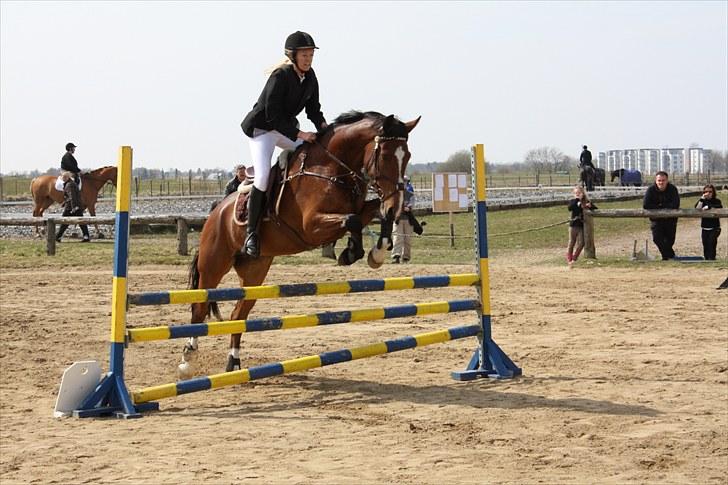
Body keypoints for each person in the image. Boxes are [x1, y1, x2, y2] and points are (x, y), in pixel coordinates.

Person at [240, 31, 328, 258]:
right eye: (304, 55)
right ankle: (252, 234)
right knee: (261, 178)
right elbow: (272, 116)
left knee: (310, 153)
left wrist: (325, 129)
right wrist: (300, 133)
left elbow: (314, 110)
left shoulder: (310, 77)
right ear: (293, 55)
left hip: (285, 129)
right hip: (262, 131)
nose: (308, 59)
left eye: (310, 55)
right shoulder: (280, 76)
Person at [643, 171, 680, 260]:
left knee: (670, 240)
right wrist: (664, 206)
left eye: (663, 180)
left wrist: (659, 206)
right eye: (659, 180)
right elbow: (646, 205)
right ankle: (669, 256)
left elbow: (675, 204)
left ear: (667, 181)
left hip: (670, 219)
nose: (661, 183)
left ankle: (666, 258)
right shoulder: (651, 190)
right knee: (657, 238)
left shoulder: (673, 189)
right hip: (656, 220)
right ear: (656, 181)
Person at [57, 142, 90, 242]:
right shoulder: (67, 156)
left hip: (72, 205)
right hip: (66, 171)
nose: (74, 149)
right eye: (73, 148)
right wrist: (79, 171)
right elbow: (72, 167)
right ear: (70, 149)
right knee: (75, 179)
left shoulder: (70, 156)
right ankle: (85, 236)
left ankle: (58, 236)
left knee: (68, 220)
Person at [55, 170, 90, 243]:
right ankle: (86, 236)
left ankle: (58, 237)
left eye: (64, 177)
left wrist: (74, 207)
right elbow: (70, 197)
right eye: (63, 177)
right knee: (81, 223)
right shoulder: (70, 184)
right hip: (75, 206)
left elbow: (72, 197)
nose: (63, 178)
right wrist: (64, 203)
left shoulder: (69, 185)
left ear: (68, 177)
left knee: (64, 222)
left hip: (71, 207)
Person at [566, 185, 596, 265]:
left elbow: (595, 208)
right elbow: (570, 208)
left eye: (579, 193)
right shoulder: (573, 201)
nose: (577, 194)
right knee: (571, 242)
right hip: (573, 225)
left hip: (581, 225)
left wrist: (590, 206)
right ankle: (569, 259)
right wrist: (577, 200)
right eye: (576, 193)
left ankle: (574, 258)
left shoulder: (586, 201)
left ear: (583, 193)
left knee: (582, 243)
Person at [392, 176, 416, 264]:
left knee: (407, 239)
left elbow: (410, 206)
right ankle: (396, 256)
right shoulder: (395, 195)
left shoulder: (410, 194)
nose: (404, 184)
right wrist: (403, 208)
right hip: (397, 219)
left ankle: (406, 257)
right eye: (402, 182)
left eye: (405, 182)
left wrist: (405, 208)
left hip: (408, 219)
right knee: (397, 238)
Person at [695, 184, 722, 260]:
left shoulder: (717, 201)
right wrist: (702, 199)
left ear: (713, 192)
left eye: (710, 191)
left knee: (712, 244)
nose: (708, 193)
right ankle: (707, 260)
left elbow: (719, 207)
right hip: (704, 227)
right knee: (705, 245)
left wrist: (709, 207)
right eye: (706, 191)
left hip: (714, 227)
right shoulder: (703, 200)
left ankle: (712, 259)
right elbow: (697, 208)